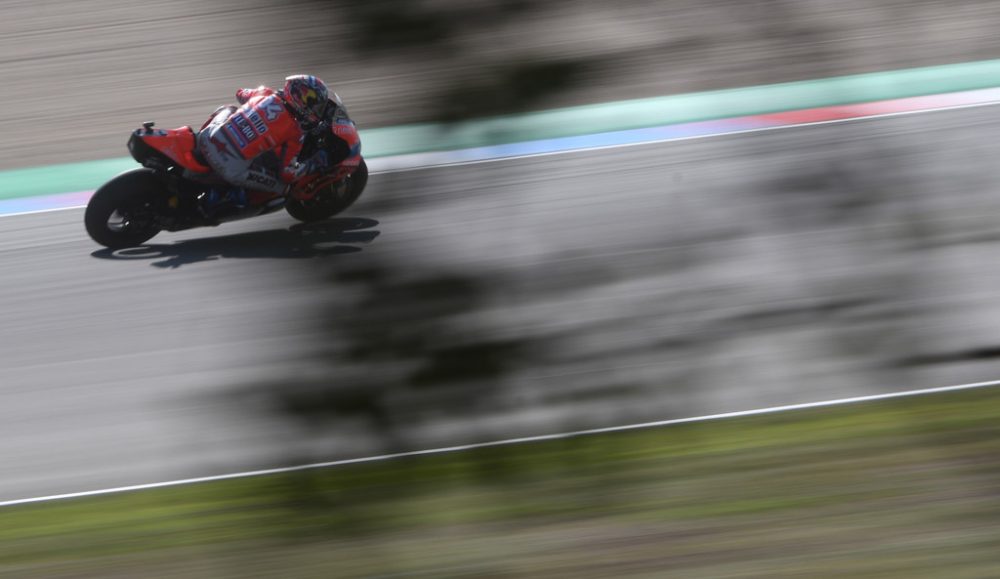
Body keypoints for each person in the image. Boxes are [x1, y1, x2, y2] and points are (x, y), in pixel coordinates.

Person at [196, 74, 361, 214]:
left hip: (207, 138)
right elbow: (287, 173)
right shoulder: (295, 133)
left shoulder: (265, 93)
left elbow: (240, 94)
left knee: (229, 109)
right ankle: (224, 198)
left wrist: (255, 111)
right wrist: (314, 163)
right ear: (299, 98)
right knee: (283, 188)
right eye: (312, 103)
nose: (315, 109)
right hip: (229, 167)